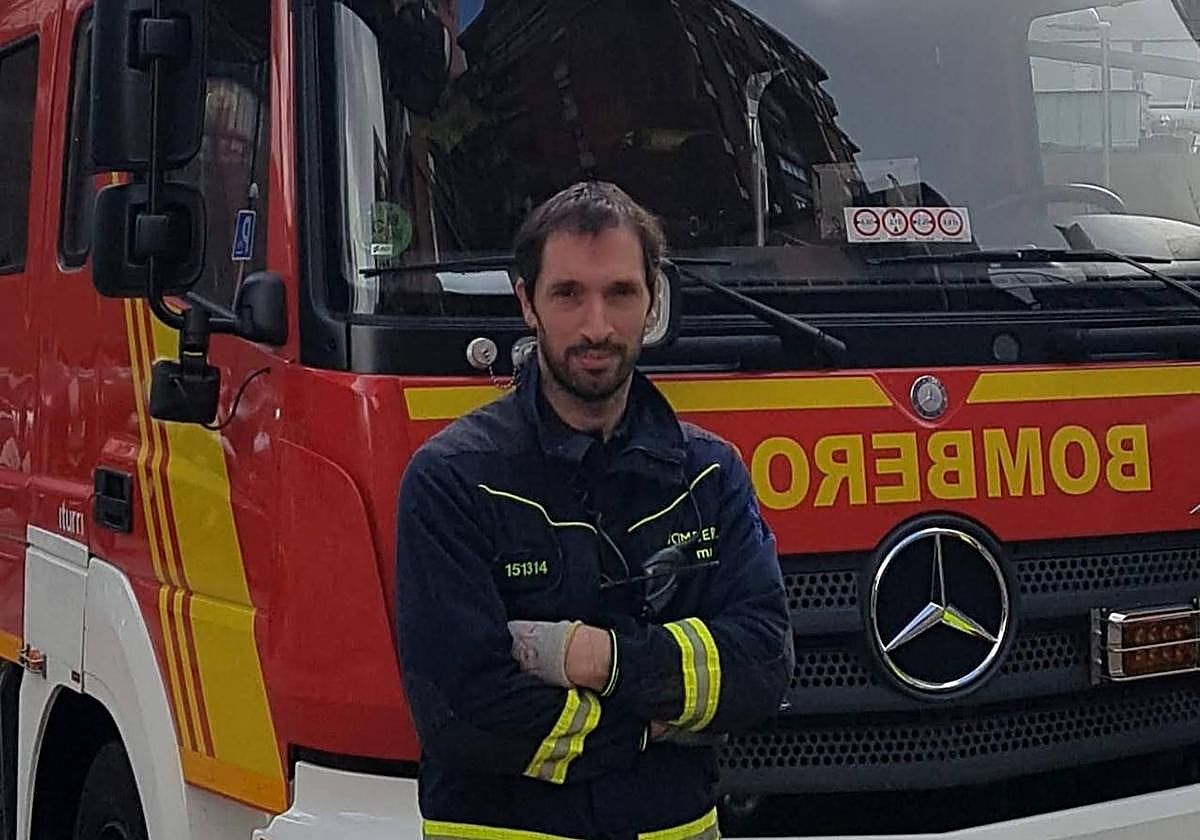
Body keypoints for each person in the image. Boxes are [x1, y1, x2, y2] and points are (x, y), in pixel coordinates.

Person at [395, 181, 792, 840]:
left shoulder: (710, 474)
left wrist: (589, 657)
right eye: (568, 295)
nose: (598, 327)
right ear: (527, 303)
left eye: (620, 294)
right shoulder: (452, 481)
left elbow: (761, 667)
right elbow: (463, 716)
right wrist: (651, 721)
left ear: (653, 301)